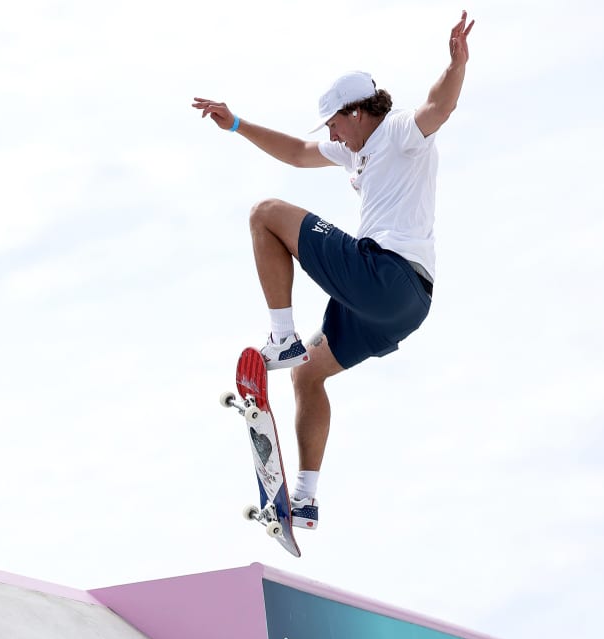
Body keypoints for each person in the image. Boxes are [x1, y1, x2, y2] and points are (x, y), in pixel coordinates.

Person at [193, 11, 474, 530]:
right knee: (308, 374)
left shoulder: (397, 131)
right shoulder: (355, 154)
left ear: (359, 111)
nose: (332, 135)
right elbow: (298, 153)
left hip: (387, 273)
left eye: (335, 123)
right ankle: (305, 498)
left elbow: (441, 106)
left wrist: (456, 63)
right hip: (402, 308)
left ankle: (282, 336)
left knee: (264, 214)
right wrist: (235, 123)